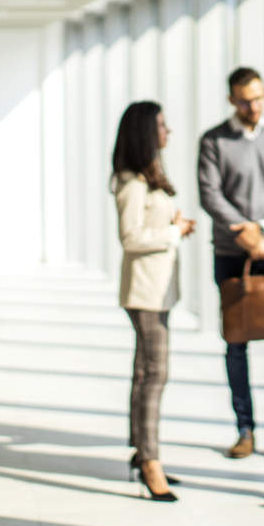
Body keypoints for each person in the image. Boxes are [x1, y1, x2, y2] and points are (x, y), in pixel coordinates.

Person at [198, 67, 264, 461]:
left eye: (258, 98)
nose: (253, 106)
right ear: (231, 100)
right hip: (231, 252)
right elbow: (210, 194)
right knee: (236, 342)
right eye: (244, 100)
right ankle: (245, 430)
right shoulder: (213, 141)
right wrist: (244, 232)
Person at [111, 101, 196, 502]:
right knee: (154, 376)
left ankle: (142, 453)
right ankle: (150, 462)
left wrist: (174, 229)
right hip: (145, 293)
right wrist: (174, 232)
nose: (169, 131)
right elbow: (130, 239)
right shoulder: (130, 182)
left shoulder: (147, 177)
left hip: (156, 290)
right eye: (162, 125)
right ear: (146, 131)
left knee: (145, 374)